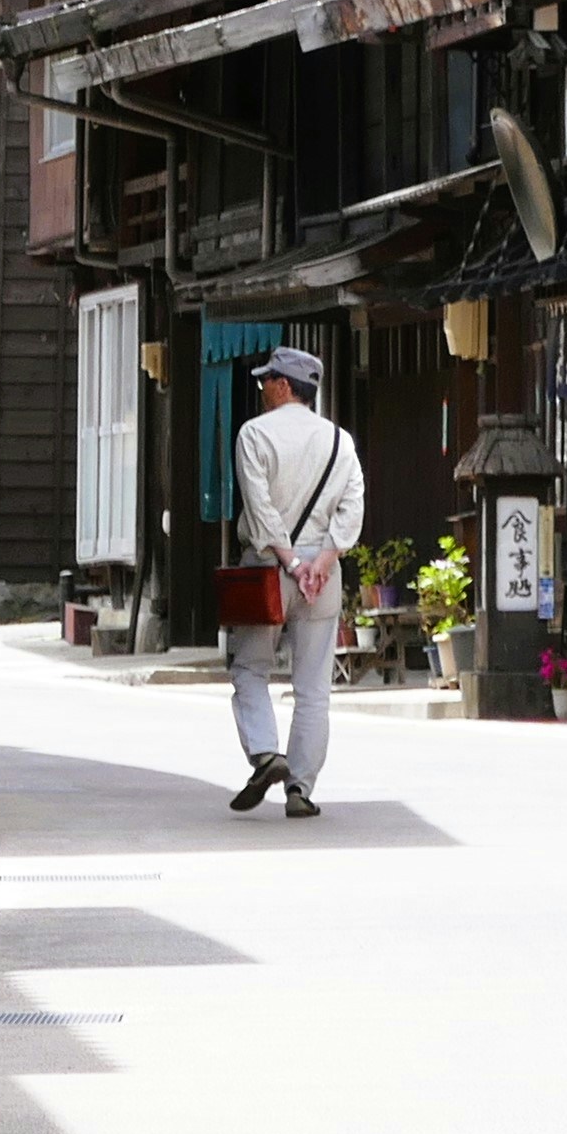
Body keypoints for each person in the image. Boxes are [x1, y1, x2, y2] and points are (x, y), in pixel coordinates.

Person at [225, 347, 361, 816]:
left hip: (269, 567)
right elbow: (352, 506)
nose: (262, 388)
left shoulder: (254, 434)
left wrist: (290, 562)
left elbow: (259, 504)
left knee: (250, 667)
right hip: (323, 575)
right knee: (313, 687)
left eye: (268, 380)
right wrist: (321, 560)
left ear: (285, 385)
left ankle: (265, 753)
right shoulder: (341, 441)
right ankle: (300, 789)